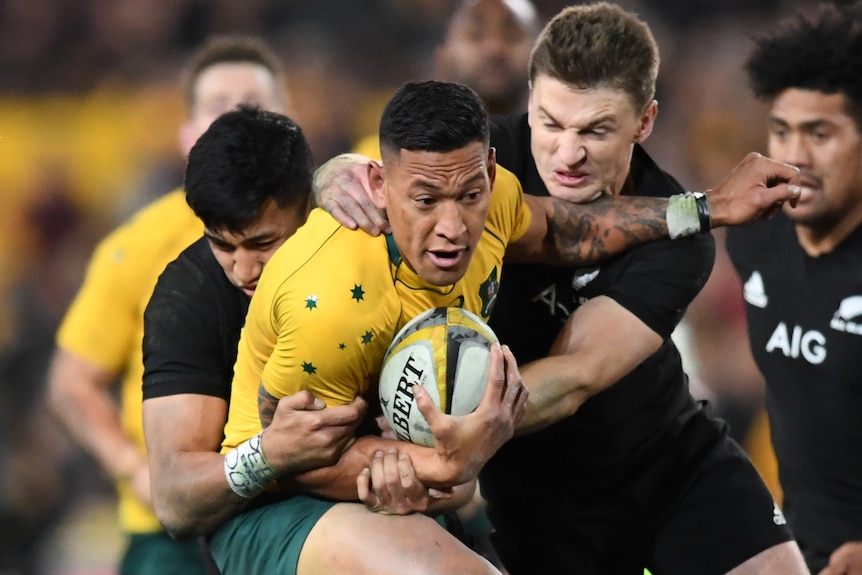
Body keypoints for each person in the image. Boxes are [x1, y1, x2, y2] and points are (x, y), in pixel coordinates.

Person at [214, 78, 800, 575]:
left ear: (492, 173)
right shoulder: (332, 302)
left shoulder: (493, 203)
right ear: (378, 187)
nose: (452, 227)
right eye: (424, 201)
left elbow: (561, 231)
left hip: (397, 486)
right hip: (274, 503)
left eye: (469, 195)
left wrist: (705, 208)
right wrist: (439, 466)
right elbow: (292, 454)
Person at [44, 35, 290, 574]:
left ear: (288, 128)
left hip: (293, 506)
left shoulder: (335, 222)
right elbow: (71, 381)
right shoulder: (135, 247)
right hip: (168, 528)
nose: (234, 123)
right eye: (217, 108)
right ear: (185, 136)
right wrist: (132, 467)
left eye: (253, 106)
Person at [142, 104, 367, 540]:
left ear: (310, 206)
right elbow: (174, 500)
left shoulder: (360, 236)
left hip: (381, 486)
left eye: (264, 242)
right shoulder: (187, 298)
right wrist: (269, 455)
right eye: (222, 245)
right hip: (263, 516)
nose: (243, 270)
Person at [727, 3, 862, 573]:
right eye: (781, 131)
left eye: (821, 133)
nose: (796, 157)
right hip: (799, 555)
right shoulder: (756, 244)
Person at [351, 0, 538, 162]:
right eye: (476, 35)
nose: (494, 48)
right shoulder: (390, 152)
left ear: (541, 57)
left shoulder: (560, 156)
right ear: (443, 58)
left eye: (511, 36)